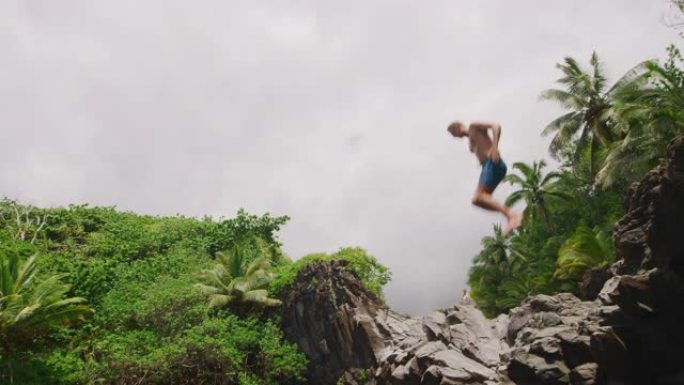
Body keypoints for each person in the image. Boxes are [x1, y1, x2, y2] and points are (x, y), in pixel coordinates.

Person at [447, 120, 523, 235]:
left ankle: (512, 216)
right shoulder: (470, 142)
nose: (456, 137)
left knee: (479, 197)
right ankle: (511, 216)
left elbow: (495, 126)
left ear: (457, 129)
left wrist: (494, 147)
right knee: (477, 200)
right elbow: (480, 148)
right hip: (487, 167)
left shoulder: (473, 127)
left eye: (454, 134)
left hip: (492, 163)